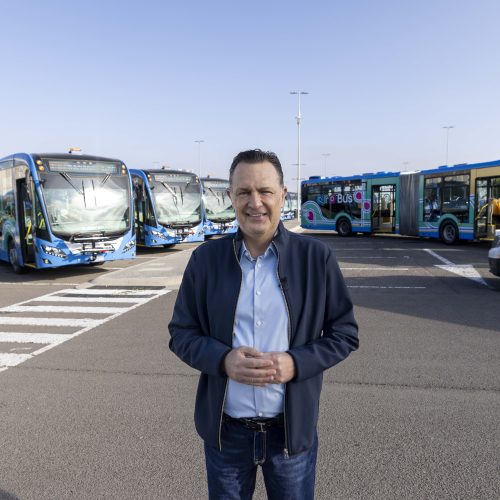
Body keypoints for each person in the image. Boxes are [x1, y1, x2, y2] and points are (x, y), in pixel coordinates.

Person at [168, 149, 359, 499]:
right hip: (227, 434)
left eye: (265, 191)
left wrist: (296, 363)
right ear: (231, 197)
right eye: (244, 192)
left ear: (282, 194)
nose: (255, 202)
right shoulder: (205, 260)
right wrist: (223, 360)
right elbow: (181, 333)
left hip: (290, 436)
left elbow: (344, 334)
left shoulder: (316, 258)